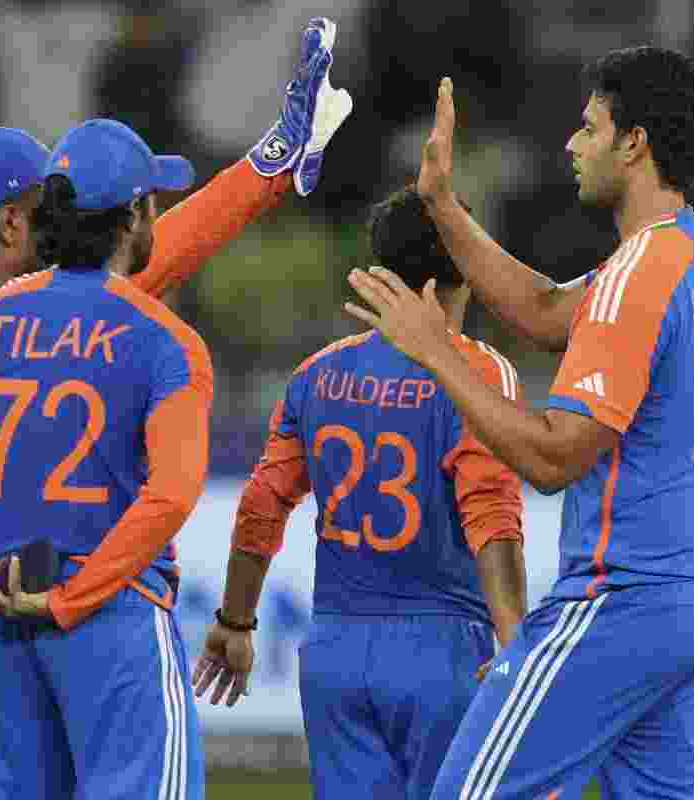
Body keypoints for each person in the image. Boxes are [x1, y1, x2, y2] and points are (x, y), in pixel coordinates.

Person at [0, 18, 351, 799]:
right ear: (14, 220)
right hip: (52, 604)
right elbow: (154, 259)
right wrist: (271, 167)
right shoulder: (93, 320)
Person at [344, 47, 694, 799]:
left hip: (624, 602)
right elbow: (541, 312)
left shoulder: (637, 273)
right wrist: (443, 205)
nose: (571, 143)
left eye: (590, 127)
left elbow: (554, 458)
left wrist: (437, 349)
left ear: (635, 144)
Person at [0, 116, 230, 800]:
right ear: (135, 215)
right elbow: (170, 495)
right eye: (154, 204)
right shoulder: (167, 342)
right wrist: (70, 599)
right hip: (110, 620)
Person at [191, 189, 528, 799]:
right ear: (467, 262)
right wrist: (516, 644)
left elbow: (263, 504)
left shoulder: (318, 373)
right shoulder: (479, 374)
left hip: (335, 652)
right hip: (444, 649)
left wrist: (236, 621)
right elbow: (492, 515)